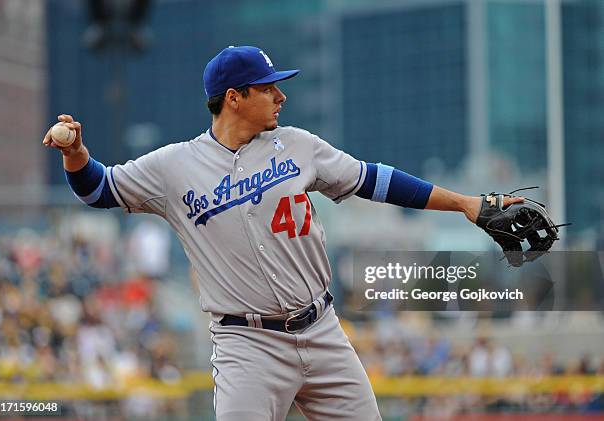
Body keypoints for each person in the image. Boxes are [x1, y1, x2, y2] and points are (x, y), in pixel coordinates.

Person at [43, 45, 522, 421]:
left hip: (322, 330)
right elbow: (99, 190)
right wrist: (75, 156)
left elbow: (375, 180)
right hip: (246, 345)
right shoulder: (174, 166)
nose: (281, 96)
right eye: (268, 87)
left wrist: (463, 203)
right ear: (235, 98)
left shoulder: (297, 146)